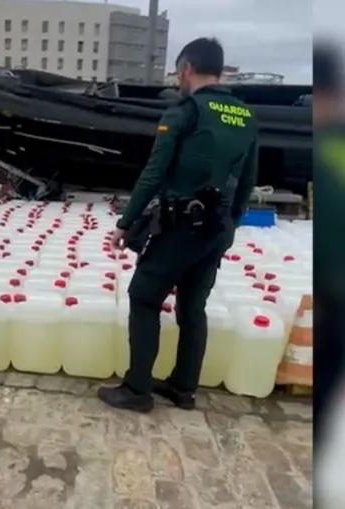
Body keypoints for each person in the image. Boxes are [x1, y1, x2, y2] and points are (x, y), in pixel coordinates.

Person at [98, 38, 259, 413]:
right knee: (192, 306)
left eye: (177, 71)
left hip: (180, 225)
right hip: (218, 229)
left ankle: (138, 391)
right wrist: (229, 224)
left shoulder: (184, 111)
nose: (177, 78)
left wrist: (125, 223)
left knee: (143, 297)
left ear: (186, 68)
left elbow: (154, 173)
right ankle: (183, 388)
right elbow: (248, 181)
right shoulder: (246, 116)